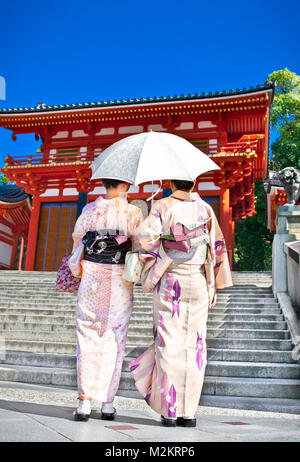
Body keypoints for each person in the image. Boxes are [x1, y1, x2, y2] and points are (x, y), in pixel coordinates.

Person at [129, 179, 233, 427]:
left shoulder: (162, 206)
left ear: (170, 182)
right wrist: (216, 282)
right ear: (194, 182)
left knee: (169, 343)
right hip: (197, 280)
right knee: (195, 346)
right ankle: (189, 413)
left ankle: (171, 410)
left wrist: (162, 241)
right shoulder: (206, 209)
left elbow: (145, 241)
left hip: (170, 281)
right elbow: (216, 246)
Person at [70, 179, 143, 421]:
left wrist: (78, 271)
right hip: (120, 280)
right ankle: (108, 403)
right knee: (115, 336)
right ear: (125, 185)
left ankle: (84, 401)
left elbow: (78, 241)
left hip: (92, 276)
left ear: (105, 184)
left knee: (87, 335)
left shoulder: (89, 209)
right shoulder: (133, 212)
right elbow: (140, 246)